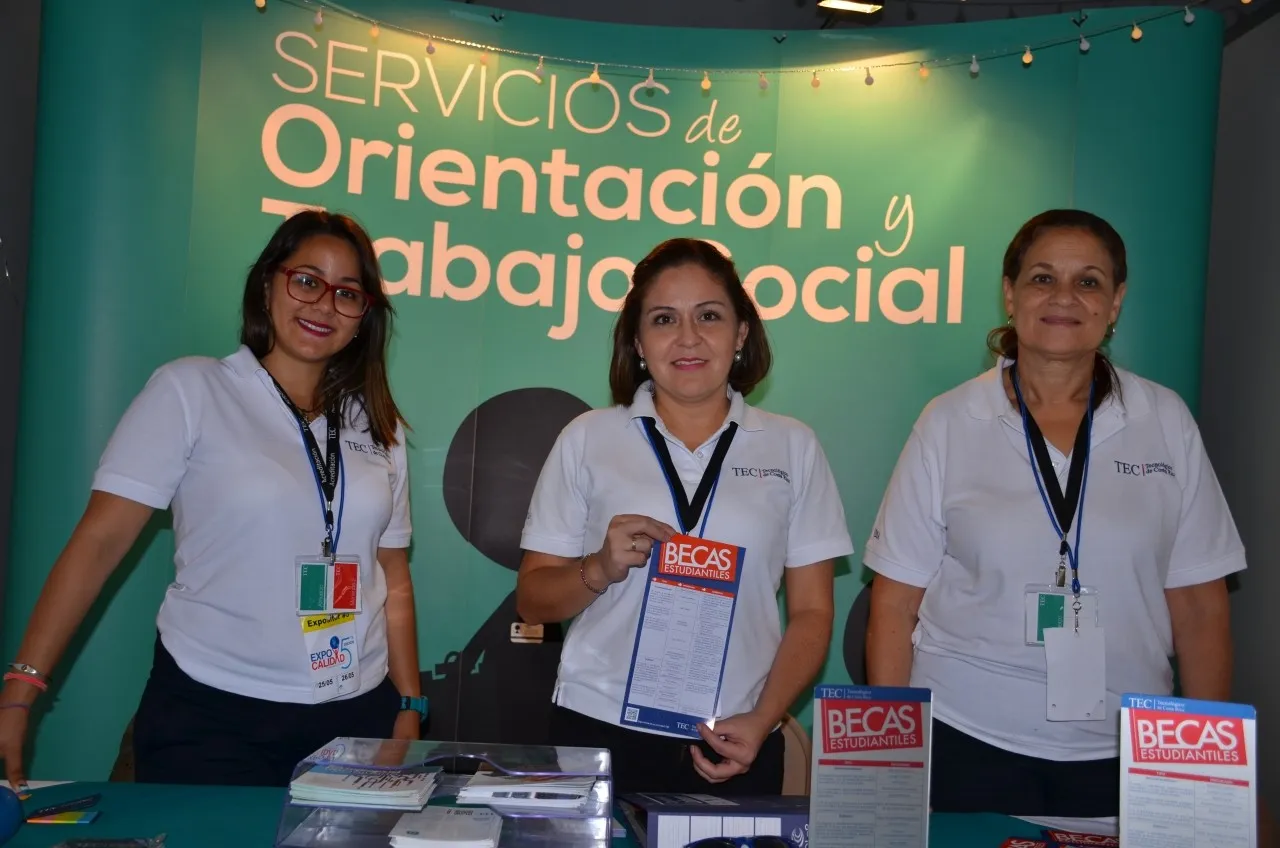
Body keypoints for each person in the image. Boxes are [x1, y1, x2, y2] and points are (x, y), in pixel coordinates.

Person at [0, 211, 427, 788]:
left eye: (347, 293)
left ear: (364, 316)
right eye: (307, 281)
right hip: (215, 714)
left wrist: (408, 703)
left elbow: (392, 574)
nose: (324, 305)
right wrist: (21, 687)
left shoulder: (378, 425)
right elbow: (99, 542)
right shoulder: (192, 389)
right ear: (268, 285)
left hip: (356, 714)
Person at [863, 209, 1244, 824]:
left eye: (1088, 281)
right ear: (1010, 294)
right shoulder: (949, 421)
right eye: (1042, 278)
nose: (1064, 296)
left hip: (1127, 747)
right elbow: (894, 602)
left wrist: (1204, 777)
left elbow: (1201, 606)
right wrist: (892, 761)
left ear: (1115, 303)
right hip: (964, 737)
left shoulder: (1165, 419)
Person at [516, 237, 853, 796]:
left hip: (736, 734)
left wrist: (763, 718)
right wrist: (598, 567)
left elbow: (813, 613)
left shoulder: (793, 446)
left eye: (709, 316)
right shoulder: (588, 438)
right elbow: (532, 600)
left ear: (741, 333)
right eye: (664, 318)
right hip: (600, 726)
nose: (688, 337)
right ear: (638, 341)